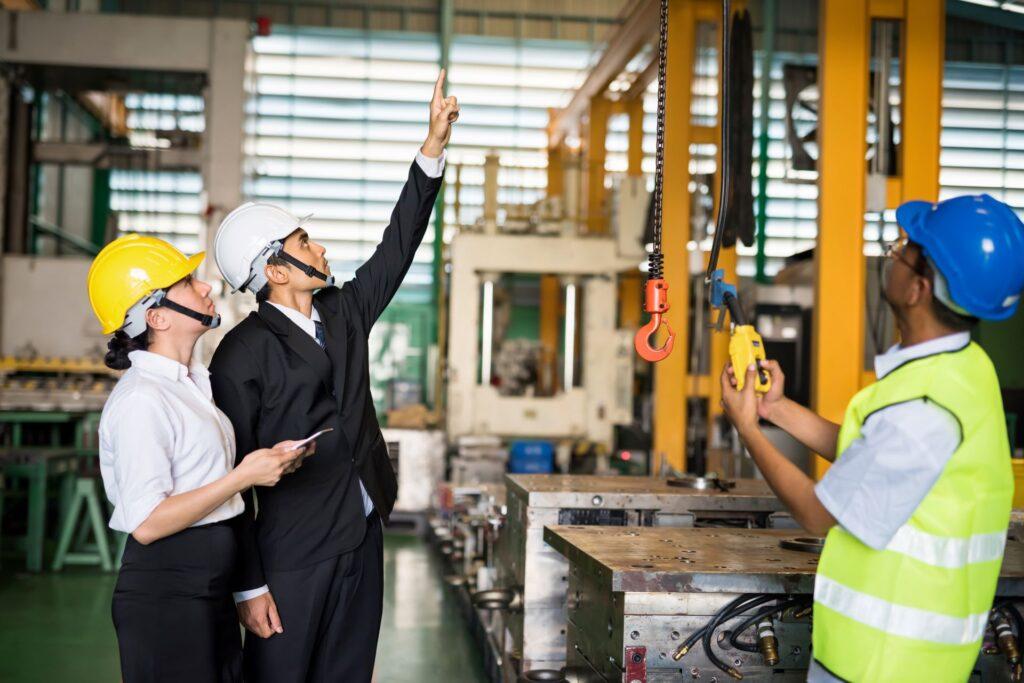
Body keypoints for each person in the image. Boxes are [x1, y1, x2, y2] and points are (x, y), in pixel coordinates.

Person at [207, 69, 458, 682]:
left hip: (363, 530)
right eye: (305, 241)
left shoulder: (344, 312)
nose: (320, 250)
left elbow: (398, 246)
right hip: (291, 553)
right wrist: (248, 587)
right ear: (277, 270)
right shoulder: (241, 355)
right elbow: (233, 481)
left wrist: (431, 149)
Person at [720, 193, 1024, 682]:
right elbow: (873, 462)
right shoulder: (962, 371)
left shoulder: (923, 409)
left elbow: (820, 514)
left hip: (882, 664)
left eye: (902, 248)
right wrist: (776, 409)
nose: (891, 253)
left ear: (917, 289)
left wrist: (748, 428)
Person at [88, 234, 311, 683]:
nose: (206, 287)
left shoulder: (192, 383)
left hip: (210, 588)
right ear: (156, 316)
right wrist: (243, 476)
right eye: (188, 283)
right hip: (167, 594)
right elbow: (148, 522)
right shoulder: (142, 400)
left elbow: (203, 481)